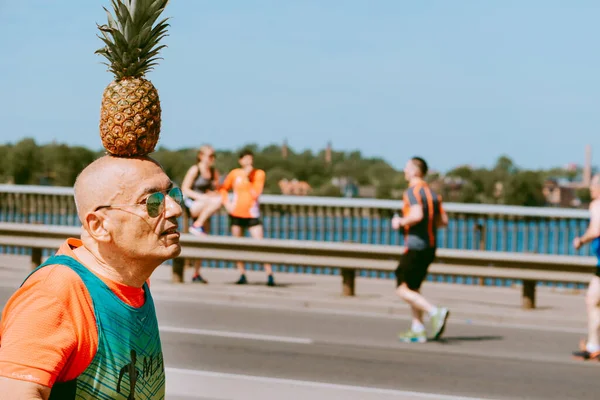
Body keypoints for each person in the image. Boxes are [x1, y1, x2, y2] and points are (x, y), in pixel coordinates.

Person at [0, 155, 183, 399]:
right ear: (98, 226)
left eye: (172, 195)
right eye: (152, 201)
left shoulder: (132, 284)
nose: (175, 209)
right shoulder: (55, 293)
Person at [391, 156, 449, 343]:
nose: (404, 171)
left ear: (416, 171)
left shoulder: (412, 192)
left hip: (415, 246)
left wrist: (400, 222)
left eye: (407, 168)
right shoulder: (432, 194)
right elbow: (443, 221)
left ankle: (435, 312)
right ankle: (418, 329)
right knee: (414, 288)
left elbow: (417, 214)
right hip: (430, 247)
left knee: (402, 288)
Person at [219, 149, 274, 287]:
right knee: (238, 246)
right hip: (236, 213)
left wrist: (249, 178)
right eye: (246, 159)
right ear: (241, 160)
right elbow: (223, 188)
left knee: (261, 245)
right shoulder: (234, 173)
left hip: (252, 214)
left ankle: (269, 274)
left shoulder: (259, 174)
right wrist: (227, 204)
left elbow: (256, 193)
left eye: (251, 159)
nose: (249, 162)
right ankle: (242, 274)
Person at [181, 144, 222, 283]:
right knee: (216, 201)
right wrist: (202, 197)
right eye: (210, 156)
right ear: (201, 156)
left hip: (205, 209)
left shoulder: (213, 171)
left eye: (213, 156)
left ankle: (196, 273)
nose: (212, 159)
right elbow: (184, 188)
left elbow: (217, 189)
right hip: (194, 205)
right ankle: (197, 225)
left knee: (202, 242)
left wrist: (210, 194)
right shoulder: (195, 169)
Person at [572, 174, 600, 361]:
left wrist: (581, 240)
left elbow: (596, 229)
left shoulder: (597, 205)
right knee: (593, 300)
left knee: (592, 300)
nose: (590, 189)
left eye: (593, 185)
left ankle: (594, 346)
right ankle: (593, 345)